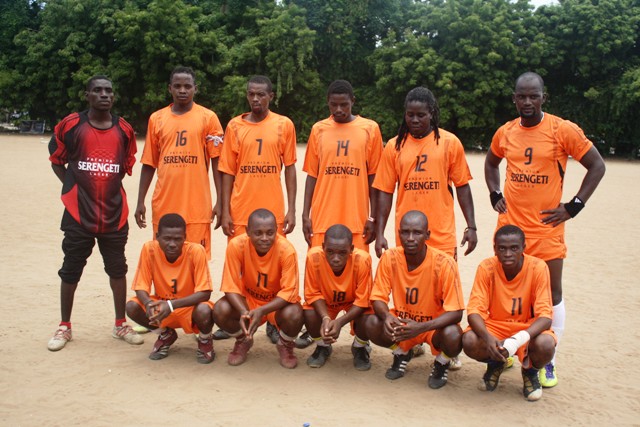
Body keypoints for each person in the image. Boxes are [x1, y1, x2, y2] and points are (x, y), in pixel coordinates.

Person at [485, 71, 605, 387]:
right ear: (514, 99)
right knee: (507, 291)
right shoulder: (505, 132)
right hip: (510, 230)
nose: (527, 101)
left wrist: (574, 206)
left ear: (543, 97)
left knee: (552, 293)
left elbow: (597, 165)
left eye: (533, 96)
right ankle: (508, 351)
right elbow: (490, 163)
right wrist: (495, 193)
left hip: (546, 229)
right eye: (522, 96)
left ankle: (547, 359)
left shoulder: (562, 130)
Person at [47, 75, 143, 351]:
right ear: (87, 95)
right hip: (78, 213)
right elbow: (57, 160)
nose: (104, 95)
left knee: (117, 269)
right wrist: (73, 187)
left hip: (114, 214)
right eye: (98, 90)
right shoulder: (71, 125)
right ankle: (64, 326)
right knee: (71, 269)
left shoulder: (124, 130)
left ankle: (120, 324)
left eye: (109, 91)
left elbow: (123, 168)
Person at [362, 211, 464, 389]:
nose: (410, 238)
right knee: (371, 322)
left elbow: (456, 312)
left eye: (417, 232)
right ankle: (401, 353)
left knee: (454, 335)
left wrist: (421, 327)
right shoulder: (390, 257)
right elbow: (377, 297)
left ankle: (442, 362)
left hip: (433, 327)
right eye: (405, 232)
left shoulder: (444, 263)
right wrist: (387, 316)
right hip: (402, 323)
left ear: (427, 235)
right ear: (399, 233)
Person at [374, 86, 477, 260]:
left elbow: (462, 187)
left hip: (442, 237)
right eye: (410, 115)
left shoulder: (450, 143)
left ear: (431, 113)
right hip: (408, 237)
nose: (414, 120)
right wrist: (380, 233)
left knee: (444, 278)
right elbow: (385, 192)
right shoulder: (394, 146)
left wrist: (471, 227)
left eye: (420, 115)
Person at [135, 66, 224, 259]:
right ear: (170, 88)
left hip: (197, 207)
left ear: (195, 89)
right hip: (164, 204)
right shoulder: (157, 119)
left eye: (187, 86)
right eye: (177, 86)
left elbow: (218, 163)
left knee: (196, 260)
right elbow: (149, 163)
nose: (182, 90)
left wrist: (221, 200)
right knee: (163, 260)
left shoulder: (208, 118)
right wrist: (140, 200)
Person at [462, 225, 556, 401]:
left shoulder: (538, 267)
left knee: (546, 344)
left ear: (523, 248)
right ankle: (495, 363)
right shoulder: (486, 267)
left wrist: (517, 340)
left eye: (514, 248)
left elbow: (545, 316)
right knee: (469, 340)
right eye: (502, 248)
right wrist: (489, 339)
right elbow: (474, 311)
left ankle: (530, 372)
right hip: (496, 326)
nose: (507, 254)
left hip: (526, 328)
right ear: (495, 248)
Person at [213, 209, 304, 368]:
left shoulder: (286, 250)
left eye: (270, 233)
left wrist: (262, 310)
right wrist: (244, 312)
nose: (264, 238)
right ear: (247, 231)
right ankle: (243, 339)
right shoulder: (236, 245)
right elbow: (230, 286)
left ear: (276, 230)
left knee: (295, 313)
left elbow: (289, 292)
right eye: (258, 233)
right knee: (221, 309)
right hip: (249, 302)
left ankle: (285, 344)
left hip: (276, 304)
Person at [302, 79, 383, 252]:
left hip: (357, 221)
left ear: (353, 101)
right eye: (334, 105)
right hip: (322, 219)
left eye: (344, 104)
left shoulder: (370, 129)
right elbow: (312, 176)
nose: (339, 109)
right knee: (318, 265)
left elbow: (374, 179)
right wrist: (305, 215)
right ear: (328, 102)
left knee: (358, 266)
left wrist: (373, 217)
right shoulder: (318, 129)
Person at [126, 214, 216, 363]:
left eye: (178, 239)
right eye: (167, 239)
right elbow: (140, 286)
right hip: (161, 306)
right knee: (132, 306)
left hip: (187, 308)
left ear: (185, 237)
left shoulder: (196, 251)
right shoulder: (149, 249)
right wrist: (148, 303)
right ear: (157, 237)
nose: (172, 244)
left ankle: (205, 340)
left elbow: (205, 293)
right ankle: (165, 334)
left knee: (205, 310)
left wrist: (171, 305)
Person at [219, 75, 297, 239]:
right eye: (251, 94)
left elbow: (290, 168)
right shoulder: (234, 126)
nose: (255, 99)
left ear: (271, 96)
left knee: (273, 254)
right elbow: (228, 172)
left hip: (273, 211)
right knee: (239, 254)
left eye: (260, 94)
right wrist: (225, 211)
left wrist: (291, 210)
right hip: (240, 212)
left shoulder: (284, 125)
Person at [302, 224, 373, 370]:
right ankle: (323, 346)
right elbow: (312, 294)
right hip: (326, 302)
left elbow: (363, 301)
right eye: (330, 252)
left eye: (342, 253)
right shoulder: (314, 258)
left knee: (370, 317)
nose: (335, 258)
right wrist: (325, 318)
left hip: (353, 303)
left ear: (351, 249)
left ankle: (359, 346)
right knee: (309, 313)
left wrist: (340, 322)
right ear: (323, 247)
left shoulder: (362, 260)